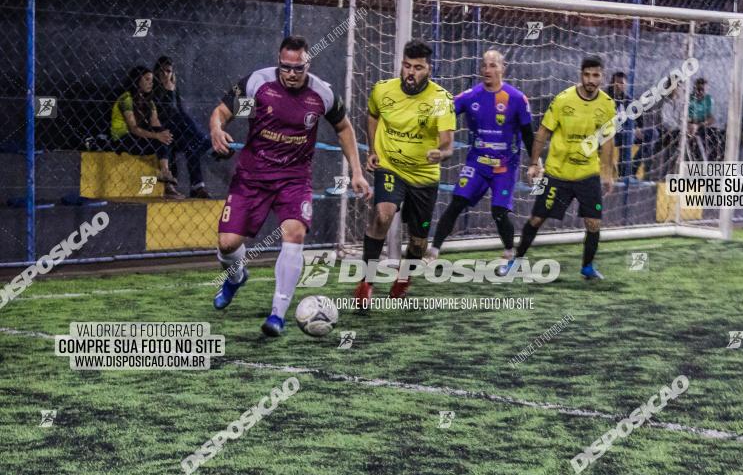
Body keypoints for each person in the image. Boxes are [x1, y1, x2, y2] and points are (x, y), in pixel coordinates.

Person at [209, 36, 370, 337]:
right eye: (287, 67)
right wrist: (217, 129)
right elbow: (223, 112)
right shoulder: (258, 85)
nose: (293, 73)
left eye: (299, 68)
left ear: (308, 63)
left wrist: (357, 173)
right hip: (251, 178)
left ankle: (277, 315)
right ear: (278, 61)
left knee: (294, 233)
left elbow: (344, 128)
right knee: (227, 244)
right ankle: (236, 276)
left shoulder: (321, 94)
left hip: (294, 179)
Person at [354, 39, 456, 308]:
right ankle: (367, 282)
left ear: (429, 69)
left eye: (418, 67)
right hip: (391, 167)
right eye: (407, 66)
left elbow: (447, 142)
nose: (411, 72)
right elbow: (373, 115)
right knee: (382, 214)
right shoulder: (382, 90)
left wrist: (441, 153)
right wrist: (372, 149)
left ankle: (404, 277)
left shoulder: (440, 100)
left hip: (424, 178)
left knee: (419, 241)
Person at [509, 55, 616, 280]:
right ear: (581, 75)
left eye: (595, 75)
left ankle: (587, 267)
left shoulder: (607, 104)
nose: (591, 80)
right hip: (558, 173)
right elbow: (543, 132)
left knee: (594, 223)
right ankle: (516, 260)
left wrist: (607, 173)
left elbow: (607, 141)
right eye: (587, 75)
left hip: (588, 174)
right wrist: (533, 164)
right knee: (537, 219)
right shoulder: (563, 99)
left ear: (602, 77)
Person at [426, 49, 536, 266]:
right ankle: (433, 250)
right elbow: (444, 111)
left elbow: (528, 134)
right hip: (476, 162)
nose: (487, 70)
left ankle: (508, 251)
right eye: (484, 65)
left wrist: (535, 163)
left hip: (505, 166)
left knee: (499, 211)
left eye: (493, 65)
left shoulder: (516, 98)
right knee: (457, 202)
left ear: (503, 69)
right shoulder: (470, 96)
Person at [110, 66, 181, 198]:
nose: (151, 83)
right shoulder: (126, 99)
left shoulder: (150, 101)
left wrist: (164, 135)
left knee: (165, 139)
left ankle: (164, 177)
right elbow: (133, 128)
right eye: (147, 79)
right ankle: (166, 181)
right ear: (137, 80)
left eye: (152, 80)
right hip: (123, 138)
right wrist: (157, 135)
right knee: (159, 140)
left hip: (141, 138)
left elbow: (156, 124)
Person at [153, 56, 213, 198]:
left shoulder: (173, 87)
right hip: (159, 131)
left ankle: (197, 187)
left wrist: (171, 91)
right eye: (161, 71)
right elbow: (163, 115)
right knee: (180, 120)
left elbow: (179, 111)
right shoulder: (152, 88)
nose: (165, 75)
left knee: (192, 145)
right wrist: (168, 92)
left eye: (168, 71)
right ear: (156, 72)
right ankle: (208, 143)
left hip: (175, 131)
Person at [688, 77, 723, 161]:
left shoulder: (708, 99)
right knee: (698, 142)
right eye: (698, 89)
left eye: (702, 90)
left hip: (702, 126)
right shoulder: (690, 99)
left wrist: (700, 123)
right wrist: (697, 123)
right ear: (694, 89)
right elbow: (689, 119)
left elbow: (712, 119)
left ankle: (714, 163)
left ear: (706, 90)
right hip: (691, 128)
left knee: (721, 136)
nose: (700, 92)